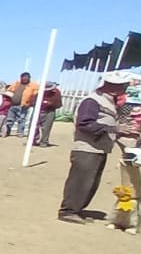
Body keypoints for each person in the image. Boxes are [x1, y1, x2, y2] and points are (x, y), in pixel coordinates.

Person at [58, 72, 136, 223]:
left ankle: (77, 210)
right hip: (87, 148)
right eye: (123, 86)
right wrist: (113, 129)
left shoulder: (108, 102)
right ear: (113, 88)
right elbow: (84, 124)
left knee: (91, 182)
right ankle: (68, 211)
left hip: (99, 148)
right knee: (80, 181)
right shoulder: (92, 101)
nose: (124, 89)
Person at [0, 72, 34, 137]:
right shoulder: (17, 83)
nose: (24, 79)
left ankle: (20, 132)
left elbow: (35, 95)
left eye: (25, 77)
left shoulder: (33, 85)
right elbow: (9, 90)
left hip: (23, 106)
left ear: (29, 78)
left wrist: (29, 103)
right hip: (13, 105)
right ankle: (7, 131)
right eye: (22, 77)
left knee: (21, 119)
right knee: (10, 119)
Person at [34, 82, 63, 146]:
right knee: (34, 126)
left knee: (46, 127)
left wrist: (50, 103)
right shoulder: (39, 92)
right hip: (38, 111)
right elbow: (33, 101)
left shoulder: (56, 92)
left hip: (50, 111)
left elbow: (59, 104)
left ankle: (44, 142)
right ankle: (33, 140)